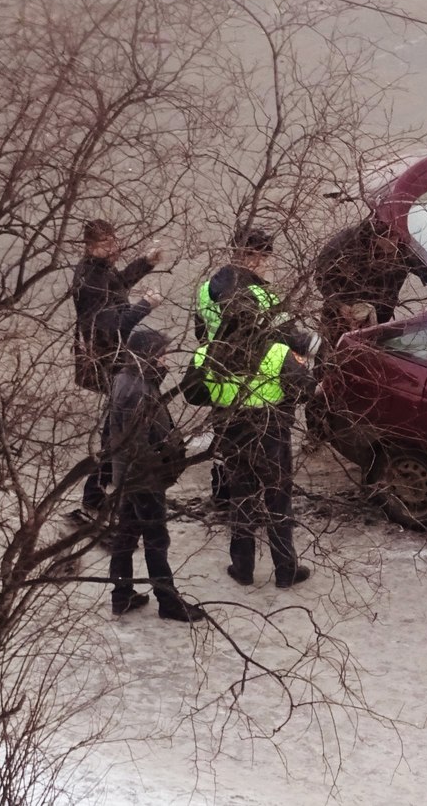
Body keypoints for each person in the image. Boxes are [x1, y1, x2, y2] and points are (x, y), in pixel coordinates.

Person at [185, 290, 316, 589]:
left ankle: (242, 569)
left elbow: (192, 394)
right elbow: (305, 389)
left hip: (232, 435)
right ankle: (285, 571)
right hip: (271, 436)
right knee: (278, 504)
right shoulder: (277, 352)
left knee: (241, 501)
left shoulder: (206, 354)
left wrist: (220, 397)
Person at [194, 226, 309, 506]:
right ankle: (264, 500)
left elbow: (200, 331)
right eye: (260, 257)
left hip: (221, 375)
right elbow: (287, 337)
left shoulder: (206, 290)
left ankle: (223, 495)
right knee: (267, 448)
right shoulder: (263, 296)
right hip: (260, 379)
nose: (263, 263)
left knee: (226, 440)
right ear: (248, 256)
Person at [106, 327, 206, 622]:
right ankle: (169, 602)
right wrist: (160, 469)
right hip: (143, 478)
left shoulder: (128, 380)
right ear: (147, 356)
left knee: (126, 535)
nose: (167, 361)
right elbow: (137, 443)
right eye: (161, 355)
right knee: (156, 539)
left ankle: (121, 595)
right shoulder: (137, 391)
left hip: (131, 474)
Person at [70, 218, 163, 516]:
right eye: (106, 244)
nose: (113, 248)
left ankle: (98, 494)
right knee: (114, 432)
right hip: (108, 360)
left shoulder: (97, 269)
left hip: (111, 358)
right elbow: (114, 328)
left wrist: (144, 263)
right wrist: (145, 305)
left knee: (114, 428)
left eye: (114, 241)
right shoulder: (91, 280)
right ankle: (96, 496)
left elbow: (118, 286)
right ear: (90, 246)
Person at [313, 217, 427, 346]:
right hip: (338, 319)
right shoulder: (348, 243)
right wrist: (340, 306)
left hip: (378, 322)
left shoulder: (403, 249)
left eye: (396, 237)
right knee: (329, 355)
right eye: (389, 238)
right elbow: (321, 276)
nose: (394, 243)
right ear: (376, 237)